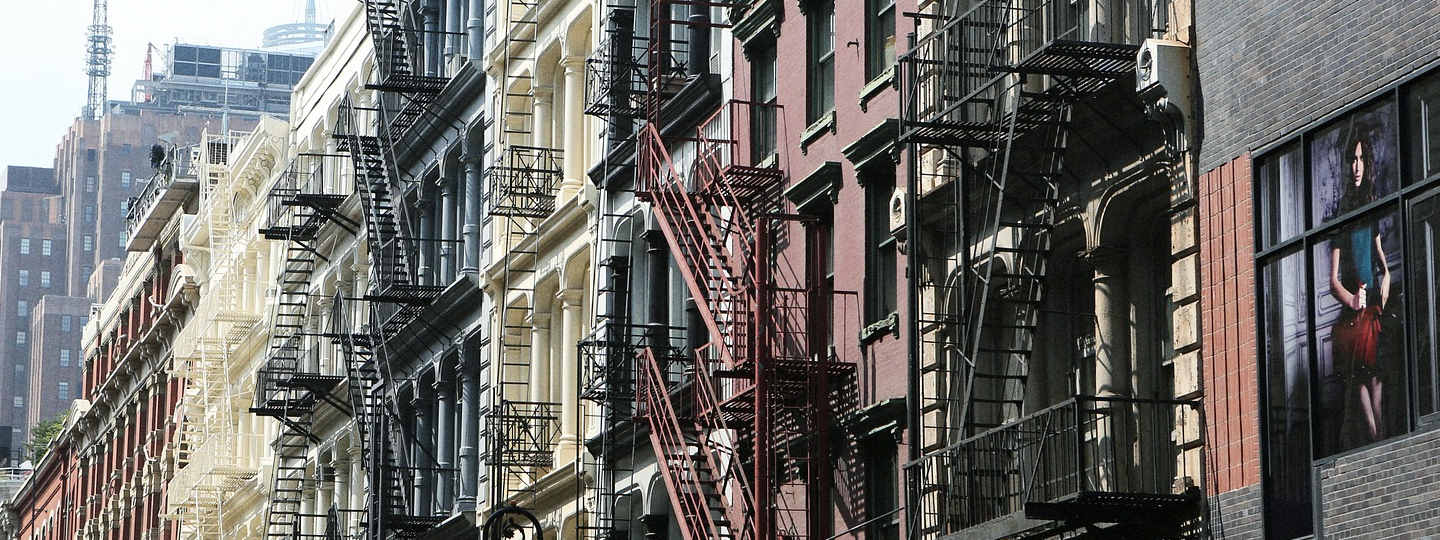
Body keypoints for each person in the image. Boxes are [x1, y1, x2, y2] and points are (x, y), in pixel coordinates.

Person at [1328, 130, 1391, 442]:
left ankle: (1380, 434)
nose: (1357, 166)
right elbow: (1332, 279)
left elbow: (1382, 261)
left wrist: (1388, 279)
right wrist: (1352, 299)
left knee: (1377, 375)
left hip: (1375, 303)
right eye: (1352, 159)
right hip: (1357, 307)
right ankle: (1374, 436)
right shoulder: (1343, 213)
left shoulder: (1371, 206)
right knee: (1362, 376)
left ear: (1368, 164)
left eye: (1362, 159)